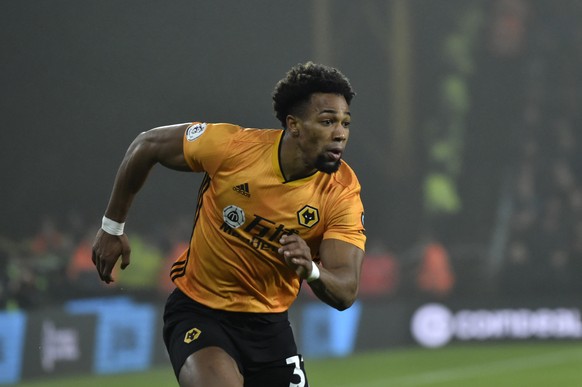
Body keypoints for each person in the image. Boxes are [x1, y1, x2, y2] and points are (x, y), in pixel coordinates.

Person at [92, 62, 366, 387]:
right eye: (327, 121)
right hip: (200, 311)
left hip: (269, 327)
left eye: (345, 123)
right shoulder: (234, 148)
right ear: (294, 125)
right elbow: (146, 145)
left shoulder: (342, 194)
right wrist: (112, 228)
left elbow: (346, 291)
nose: (340, 134)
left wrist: (311, 270)